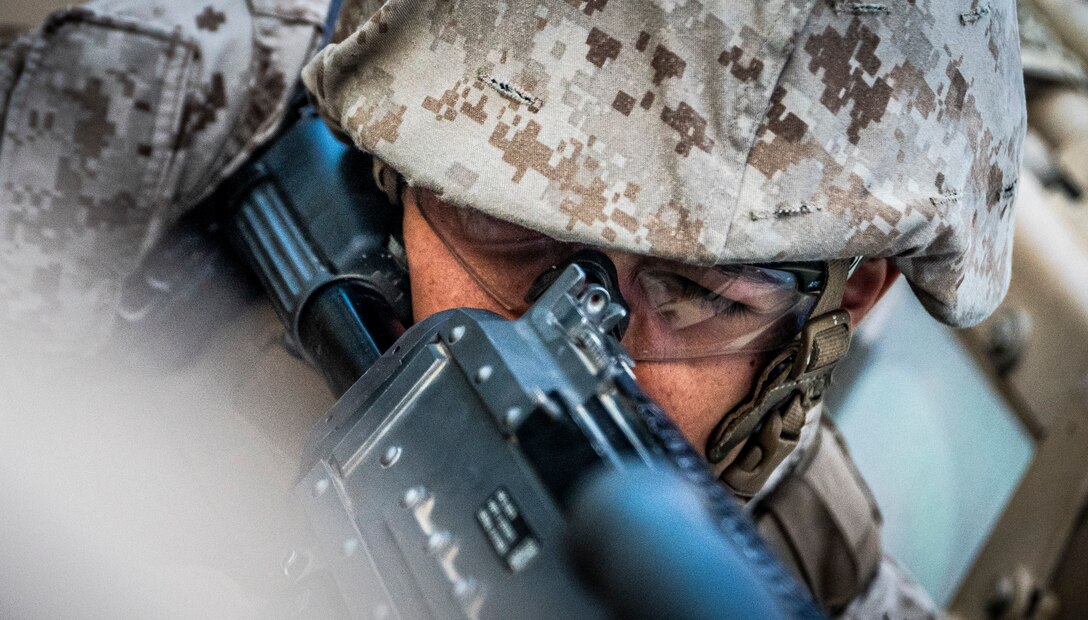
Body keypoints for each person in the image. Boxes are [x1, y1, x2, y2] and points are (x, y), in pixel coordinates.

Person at [0, 0, 1026, 617]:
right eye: (502, 222)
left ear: (843, 297)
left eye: (693, 292)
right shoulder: (188, 91)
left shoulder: (781, 524)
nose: (569, 330)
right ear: (389, 143)